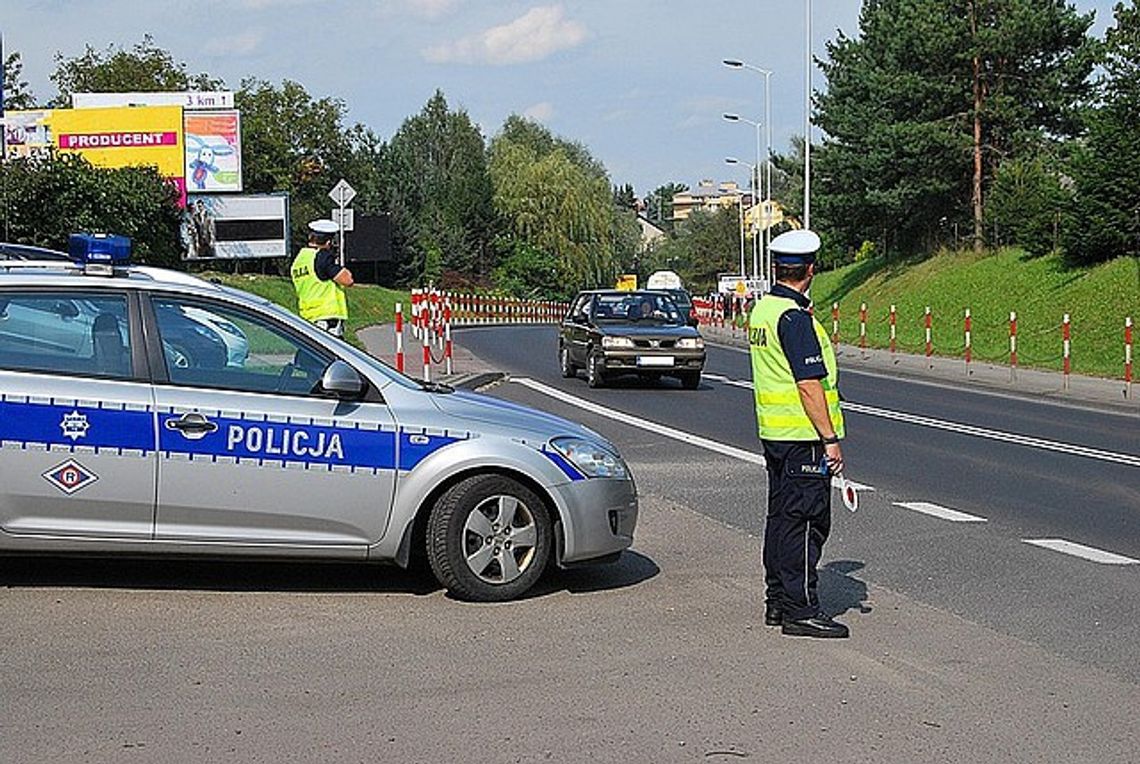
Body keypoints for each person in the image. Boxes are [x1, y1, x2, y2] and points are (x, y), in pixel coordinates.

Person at [748, 229, 849, 639]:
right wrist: (830, 438)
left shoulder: (763, 310)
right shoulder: (795, 318)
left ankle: (778, 601)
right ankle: (801, 610)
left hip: (776, 434)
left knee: (780, 521)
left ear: (777, 268)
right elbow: (809, 385)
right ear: (810, 269)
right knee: (805, 524)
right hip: (803, 436)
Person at [290, 219, 354, 337]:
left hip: (307, 317)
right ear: (329, 242)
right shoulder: (322, 257)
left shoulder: (300, 259)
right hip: (327, 318)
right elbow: (347, 280)